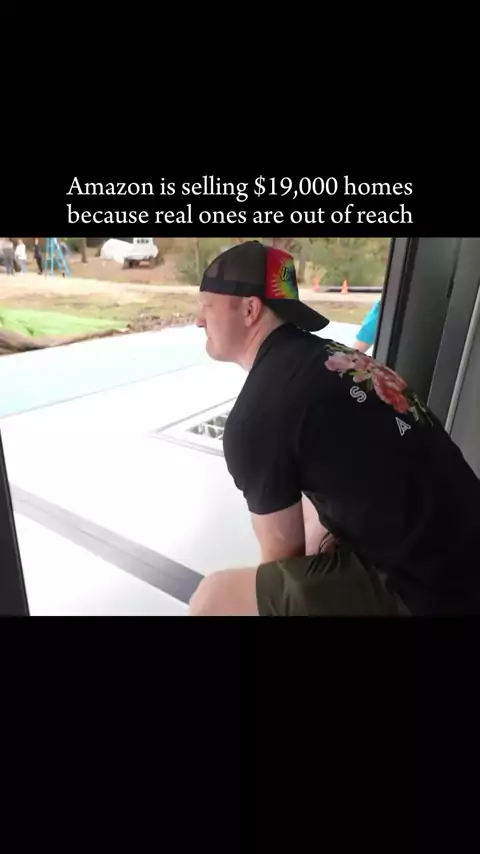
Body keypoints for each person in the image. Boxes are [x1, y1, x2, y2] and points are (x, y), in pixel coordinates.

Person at [188, 240, 480, 616]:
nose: (199, 320)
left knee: (215, 598)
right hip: (463, 544)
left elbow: (282, 564)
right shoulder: (333, 357)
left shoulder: (257, 415)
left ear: (249, 310)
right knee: (312, 515)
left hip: (435, 592)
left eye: (207, 306)